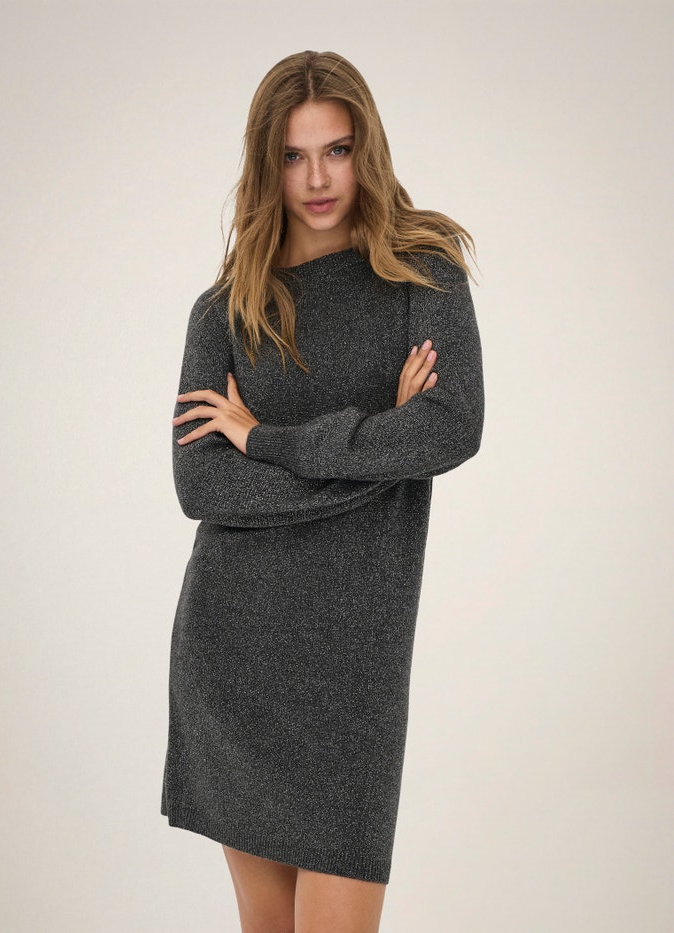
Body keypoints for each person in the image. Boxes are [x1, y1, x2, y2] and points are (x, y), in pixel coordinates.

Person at [161, 50, 484, 933]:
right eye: (293, 156)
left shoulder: (425, 277)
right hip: (235, 651)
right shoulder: (223, 313)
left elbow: (450, 429)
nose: (316, 179)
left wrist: (265, 439)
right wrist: (379, 448)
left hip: (355, 673)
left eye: (336, 151)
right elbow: (202, 485)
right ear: (265, 165)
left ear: (365, 149)